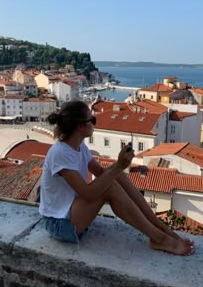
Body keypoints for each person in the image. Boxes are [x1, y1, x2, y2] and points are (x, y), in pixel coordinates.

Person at [39, 100, 194, 255]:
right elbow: (88, 193)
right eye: (92, 119)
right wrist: (119, 165)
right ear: (80, 126)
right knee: (111, 186)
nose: (94, 122)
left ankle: (162, 229)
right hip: (59, 224)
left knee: (117, 175)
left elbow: (100, 172)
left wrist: (120, 164)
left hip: (72, 215)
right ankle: (158, 238)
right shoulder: (60, 153)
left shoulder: (80, 148)